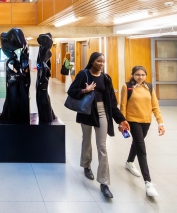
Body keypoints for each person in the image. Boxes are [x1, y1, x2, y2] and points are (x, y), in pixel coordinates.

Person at [68, 52, 129, 199]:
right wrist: (85, 90)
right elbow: (71, 91)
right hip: (87, 112)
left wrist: (121, 119)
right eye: (98, 61)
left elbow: (112, 101)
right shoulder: (84, 75)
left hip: (102, 112)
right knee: (86, 141)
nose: (101, 64)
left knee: (102, 147)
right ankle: (86, 165)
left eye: (103, 61)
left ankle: (104, 183)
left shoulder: (106, 78)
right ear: (92, 61)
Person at [119, 66, 165, 197]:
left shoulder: (149, 87)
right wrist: (122, 122)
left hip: (146, 121)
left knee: (137, 143)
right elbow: (122, 105)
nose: (140, 77)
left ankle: (129, 162)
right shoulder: (127, 87)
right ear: (132, 75)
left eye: (143, 75)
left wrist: (160, 122)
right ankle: (148, 182)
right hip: (132, 121)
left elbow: (155, 106)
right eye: (138, 74)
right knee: (141, 148)